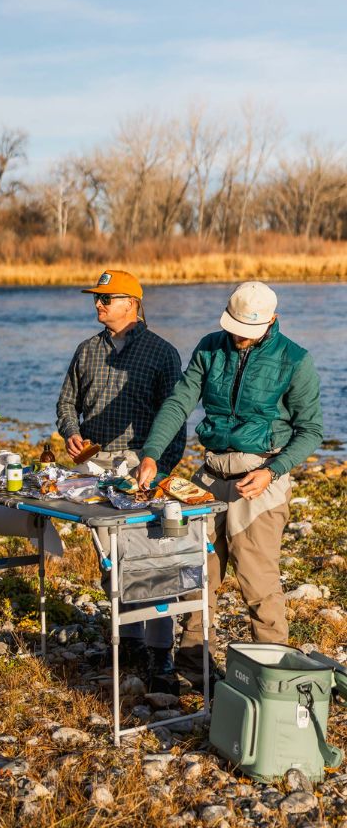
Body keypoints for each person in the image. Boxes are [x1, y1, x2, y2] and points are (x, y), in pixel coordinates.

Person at [138, 281, 323, 688]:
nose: (238, 336)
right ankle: (191, 667)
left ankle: (274, 680)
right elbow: (179, 402)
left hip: (259, 481)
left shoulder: (295, 360)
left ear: (272, 321)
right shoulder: (209, 347)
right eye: (234, 326)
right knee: (195, 572)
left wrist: (273, 471)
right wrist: (151, 452)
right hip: (207, 477)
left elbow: (310, 431)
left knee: (258, 582)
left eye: (247, 330)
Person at [56, 269, 186, 678]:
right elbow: (65, 403)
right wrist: (72, 434)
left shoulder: (162, 353)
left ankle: (160, 652)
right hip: (93, 468)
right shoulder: (85, 350)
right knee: (111, 560)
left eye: (106, 298)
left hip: (140, 467)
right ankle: (126, 645)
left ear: (131, 303)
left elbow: (176, 419)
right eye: (97, 298)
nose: (98, 304)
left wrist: (161, 471)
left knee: (150, 558)